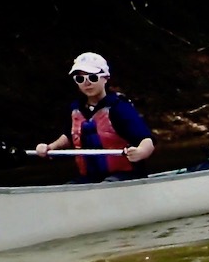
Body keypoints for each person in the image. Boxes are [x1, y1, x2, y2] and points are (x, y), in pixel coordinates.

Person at [34, 52, 157, 183]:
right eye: (80, 79)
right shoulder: (76, 108)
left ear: (105, 78)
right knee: (70, 187)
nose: (87, 83)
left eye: (93, 77)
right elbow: (69, 135)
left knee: (108, 184)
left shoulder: (119, 108)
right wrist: (50, 147)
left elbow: (146, 139)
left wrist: (141, 151)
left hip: (127, 175)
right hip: (91, 176)